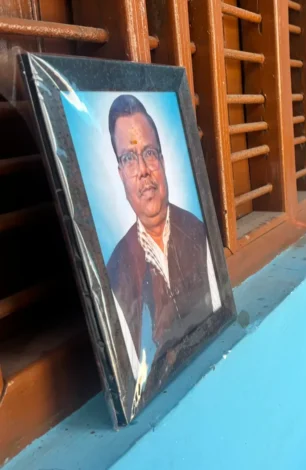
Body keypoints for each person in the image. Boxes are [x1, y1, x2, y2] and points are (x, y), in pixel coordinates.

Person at [105, 94, 222, 399]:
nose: (143, 169)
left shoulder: (200, 233)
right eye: (129, 158)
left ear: (163, 161)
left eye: (149, 153)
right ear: (120, 174)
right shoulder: (114, 273)